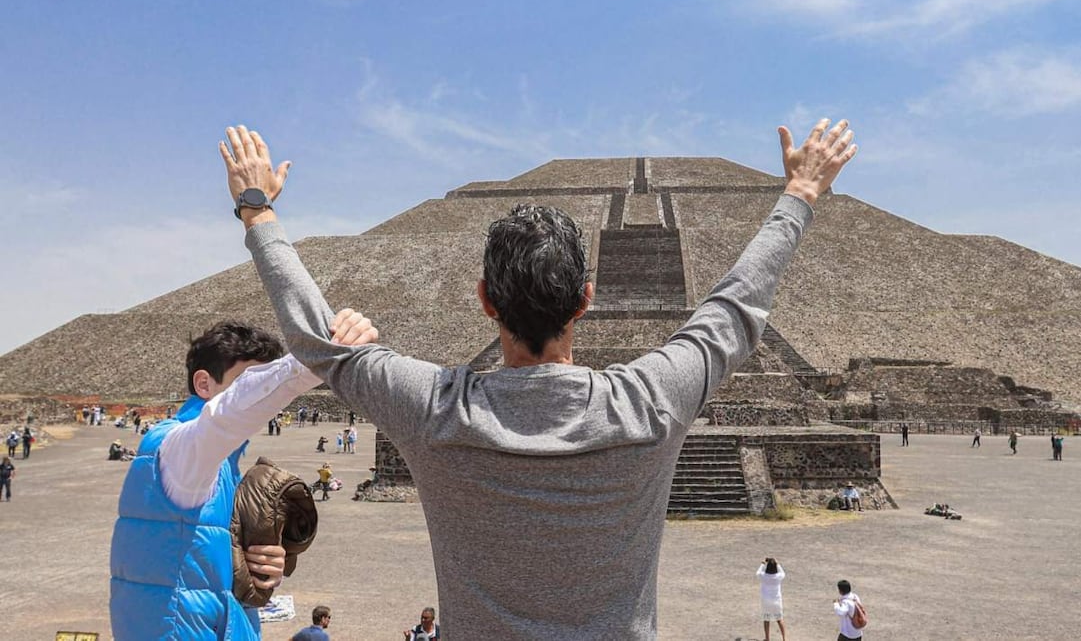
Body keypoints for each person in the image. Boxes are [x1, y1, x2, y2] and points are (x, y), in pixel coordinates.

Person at [221, 117, 857, 637]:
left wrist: (258, 212)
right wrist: (799, 195)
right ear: (585, 299)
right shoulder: (649, 404)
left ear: (485, 301)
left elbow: (315, 343)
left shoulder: (436, 409)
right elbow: (733, 314)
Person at [109, 317, 377, 640]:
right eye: (249, 379)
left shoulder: (224, 465)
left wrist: (262, 568)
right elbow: (226, 415)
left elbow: (202, 569)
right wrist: (318, 356)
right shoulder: (175, 452)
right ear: (204, 384)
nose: (263, 394)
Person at [756, 558, 787, 641]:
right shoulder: (778, 577)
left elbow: (758, 573)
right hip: (776, 601)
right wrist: (778, 564)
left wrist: (762, 563)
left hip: (765, 601)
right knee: (779, 620)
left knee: (766, 620)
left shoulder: (763, 576)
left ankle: (767, 638)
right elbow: (783, 573)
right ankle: (784, 638)